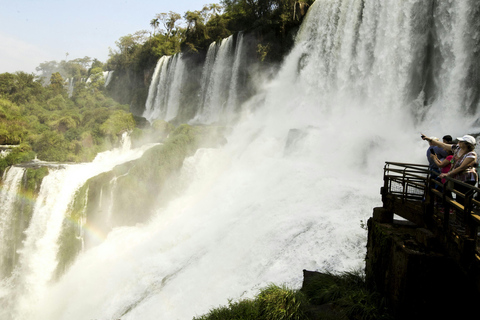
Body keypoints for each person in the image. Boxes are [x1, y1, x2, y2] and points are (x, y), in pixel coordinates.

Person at [422, 134, 478, 205]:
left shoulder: (471, 155)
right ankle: (459, 214)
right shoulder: (457, 148)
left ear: (466, 144)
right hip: (458, 178)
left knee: (464, 200)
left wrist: (448, 174)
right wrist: (428, 139)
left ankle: (465, 214)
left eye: (461, 141)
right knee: (459, 199)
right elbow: (443, 145)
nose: (459, 142)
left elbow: (462, 167)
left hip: (468, 179)